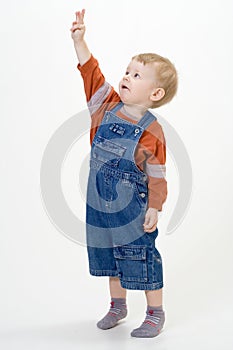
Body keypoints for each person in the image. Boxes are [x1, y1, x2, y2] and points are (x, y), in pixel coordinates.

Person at [70, 9, 178, 338]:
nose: (126, 77)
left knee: (139, 256)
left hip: (132, 210)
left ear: (155, 94)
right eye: (127, 72)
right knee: (109, 254)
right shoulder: (105, 105)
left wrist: (155, 207)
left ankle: (155, 312)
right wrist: (80, 41)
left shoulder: (151, 131)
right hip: (99, 205)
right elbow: (91, 73)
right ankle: (118, 306)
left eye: (136, 75)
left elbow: (157, 174)